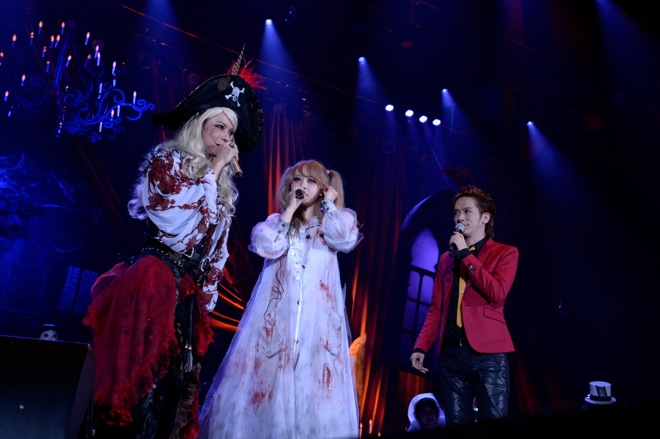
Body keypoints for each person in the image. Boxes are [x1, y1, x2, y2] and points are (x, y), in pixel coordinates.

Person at [83, 62, 264, 439]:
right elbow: (178, 231)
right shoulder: (167, 163)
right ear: (200, 125)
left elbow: (214, 253)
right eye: (219, 127)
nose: (225, 138)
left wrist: (206, 298)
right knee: (141, 390)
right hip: (155, 280)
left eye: (231, 132)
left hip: (187, 295)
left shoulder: (220, 189)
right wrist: (213, 171)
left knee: (173, 393)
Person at [197, 159, 363, 439]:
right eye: (297, 179)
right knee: (266, 400)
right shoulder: (277, 222)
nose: (302, 185)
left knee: (312, 401)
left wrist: (330, 205)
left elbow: (345, 239)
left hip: (316, 333)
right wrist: (290, 211)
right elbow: (267, 245)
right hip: (275, 330)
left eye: (311, 181)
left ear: (323, 188)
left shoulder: (332, 223)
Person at [409, 184, 519, 426]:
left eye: (467, 211)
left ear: (485, 217)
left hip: (488, 355)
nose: (460, 218)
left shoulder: (505, 253)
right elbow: (436, 308)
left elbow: (496, 293)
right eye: (456, 213)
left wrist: (466, 256)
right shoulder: (446, 259)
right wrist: (421, 346)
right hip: (451, 355)